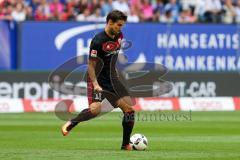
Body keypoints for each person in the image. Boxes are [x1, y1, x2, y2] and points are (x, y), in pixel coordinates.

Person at [61, 10, 135, 151]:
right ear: (110, 22)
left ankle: (125, 145)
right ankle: (72, 122)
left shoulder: (119, 36)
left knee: (129, 110)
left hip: (112, 79)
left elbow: (112, 58)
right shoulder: (97, 41)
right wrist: (95, 84)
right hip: (97, 79)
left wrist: (115, 75)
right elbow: (91, 65)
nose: (121, 28)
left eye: (122, 25)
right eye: (119, 25)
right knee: (95, 110)